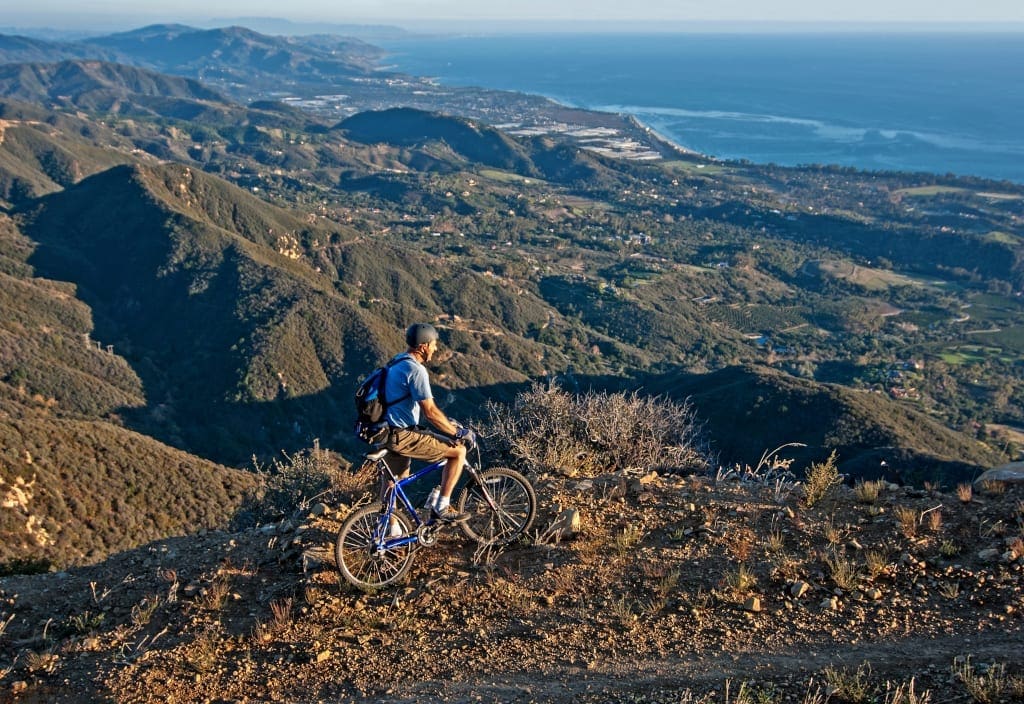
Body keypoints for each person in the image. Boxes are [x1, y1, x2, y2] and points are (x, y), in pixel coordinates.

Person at [381, 323, 476, 523]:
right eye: (433, 344)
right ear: (423, 346)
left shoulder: (397, 362)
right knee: (458, 452)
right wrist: (457, 433)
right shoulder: (416, 370)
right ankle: (441, 507)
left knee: (393, 482)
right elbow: (431, 413)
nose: (435, 348)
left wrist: (446, 424)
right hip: (404, 436)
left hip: (387, 432)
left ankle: (390, 531)